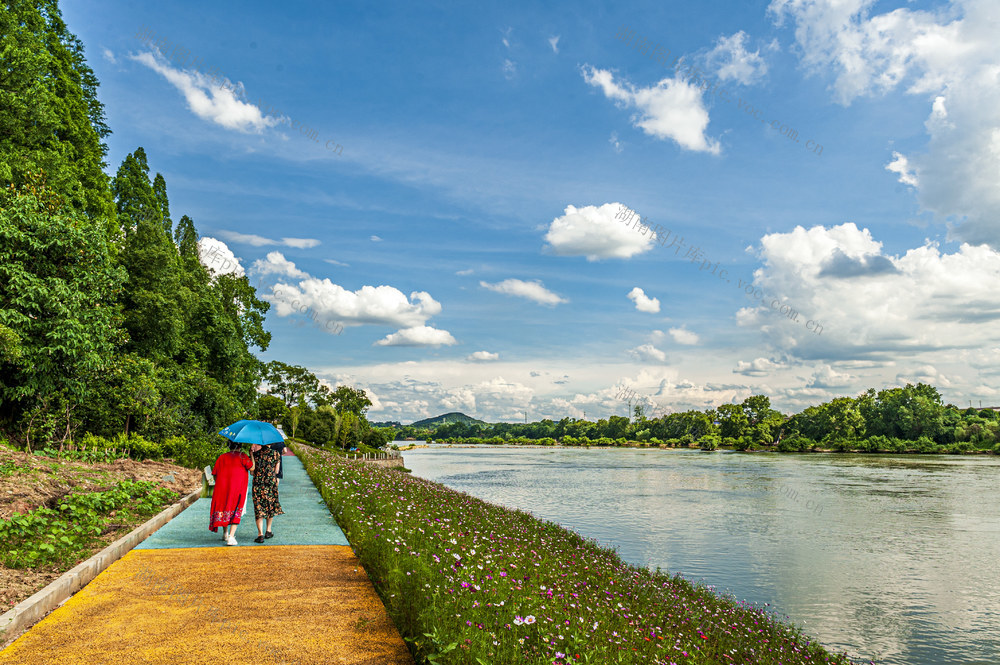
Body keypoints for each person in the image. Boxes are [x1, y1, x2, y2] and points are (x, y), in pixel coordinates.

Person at [209, 441, 254, 546]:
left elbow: (215, 474)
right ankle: (231, 537)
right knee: (236, 509)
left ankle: (225, 533)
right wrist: (251, 455)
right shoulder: (242, 456)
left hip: (223, 488)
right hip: (238, 489)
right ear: (240, 446)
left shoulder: (222, 457)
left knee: (226, 507)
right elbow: (252, 468)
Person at [250, 443, 284, 543]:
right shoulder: (276, 454)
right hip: (270, 484)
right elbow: (277, 471)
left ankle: (260, 534)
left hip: (258, 484)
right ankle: (268, 531)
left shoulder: (256, 454)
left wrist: (251, 454)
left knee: (259, 507)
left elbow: (252, 472)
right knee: (270, 505)